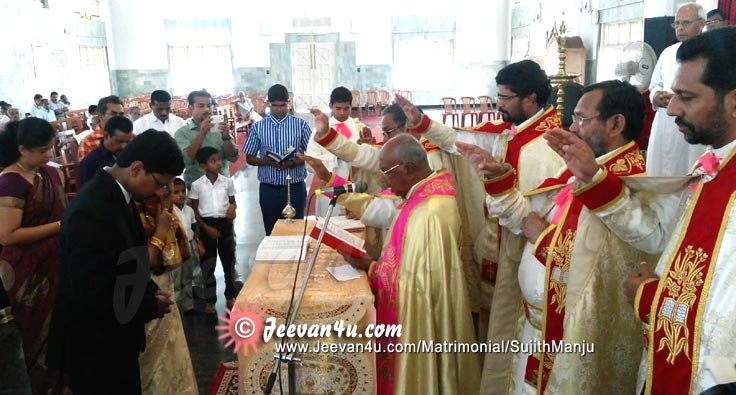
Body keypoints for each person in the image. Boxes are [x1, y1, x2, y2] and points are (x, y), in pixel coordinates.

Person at [547, 28, 736, 394]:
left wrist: (650, 297)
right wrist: (593, 178)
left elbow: (721, 321)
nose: (672, 108)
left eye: (686, 96)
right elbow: (657, 235)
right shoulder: (712, 169)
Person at [458, 80, 648, 394]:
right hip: (535, 326)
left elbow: (597, 270)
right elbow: (528, 221)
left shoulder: (630, 186)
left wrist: (542, 237)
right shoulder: (579, 169)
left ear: (616, 124)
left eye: (582, 120)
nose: (573, 128)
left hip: (571, 343)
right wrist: (498, 178)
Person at [46, 130, 183, 395]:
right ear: (137, 168)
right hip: (95, 345)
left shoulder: (119, 195)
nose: (161, 192)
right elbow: (93, 291)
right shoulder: (92, 209)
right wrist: (148, 305)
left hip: (115, 337)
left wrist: (150, 289)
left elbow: (128, 258)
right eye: (159, 183)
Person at [343, 133, 480, 395]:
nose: (383, 179)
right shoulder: (424, 195)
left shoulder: (429, 212)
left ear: (407, 169)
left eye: (387, 172)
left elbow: (414, 288)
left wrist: (369, 266)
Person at [0, 118, 66, 393]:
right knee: (31, 334)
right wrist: (61, 227)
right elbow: (8, 235)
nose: (47, 155)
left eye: (50, 148)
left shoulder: (52, 173)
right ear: (22, 149)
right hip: (26, 272)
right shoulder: (10, 182)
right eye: (41, 151)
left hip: (57, 263)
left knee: (60, 332)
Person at [135, 175, 198, 395]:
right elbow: (145, 260)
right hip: (145, 283)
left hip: (164, 277)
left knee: (171, 341)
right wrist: (161, 230)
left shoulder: (162, 205)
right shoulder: (137, 208)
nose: (168, 191)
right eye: (164, 186)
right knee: (152, 350)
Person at [646, 2, 707, 176]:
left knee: (691, 169)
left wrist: (684, 97)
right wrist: (656, 96)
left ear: (701, 24)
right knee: (660, 170)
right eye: (677, 24)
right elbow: (655, 83)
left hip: (694, 119)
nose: (679, 28)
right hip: (665, 119)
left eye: (685, 23)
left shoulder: (711, 52)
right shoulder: (668, 53)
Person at [243, 84, 311, 235]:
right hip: (269, 188)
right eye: (275, 106)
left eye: (283, 105)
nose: (279, 109)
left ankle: (296, 259)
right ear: (268, 104)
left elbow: (311, 154)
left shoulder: (301, 125)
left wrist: (292, 162)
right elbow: (250, 157)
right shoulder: (258, 127)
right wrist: (267, 161)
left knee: (297, 231)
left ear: (288, 103)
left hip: (294, 187)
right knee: (272, 231)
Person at [305, 86, 374, 217]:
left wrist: (366, 146)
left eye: (346, 108)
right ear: (331, 106)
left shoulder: (360, 128)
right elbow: (310, 160)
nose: (342, 112)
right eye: (338, 108)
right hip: (330, 183)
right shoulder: (321, 129)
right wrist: (336, 158)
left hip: (354, 186)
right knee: (330, 224)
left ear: (351, 106)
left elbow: (370, 160)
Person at [189, 147, 237, 313]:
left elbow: (232, 202)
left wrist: (233, 208)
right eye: (213, 161)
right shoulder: (197, 186)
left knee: (228, 261)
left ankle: (230, 295)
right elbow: (194, 211)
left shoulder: (227, 182)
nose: (218, 163)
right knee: (208, 264)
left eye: (218, 159)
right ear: (203, 166)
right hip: (206, 224)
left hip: (224, 223)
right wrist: (206, 228)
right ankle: (210, 300)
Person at [175, 90, 239, 188]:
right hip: (197, 189)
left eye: (209, 106)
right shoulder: (182, 133)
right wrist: (202, 133)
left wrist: (226, 137)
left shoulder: (219, 128)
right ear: (190, 108)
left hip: (223, 186)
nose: (207, 109)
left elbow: (233, 157)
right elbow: (187, 159)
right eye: (201, 106)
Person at [171, 177, 203, 314]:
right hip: (175, 247)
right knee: (176, 279)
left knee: (188, 276)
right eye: (176, 192)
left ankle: (188, 305)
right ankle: (175, 309)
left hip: (188, 245)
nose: (181, 195)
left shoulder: (189, 210)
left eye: (183, 191)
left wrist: (199, 243)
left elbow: (195, 228)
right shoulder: (168, 211)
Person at [78, 116, 135, 186]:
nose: (123, 146)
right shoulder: (90, 162)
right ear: (106, 135)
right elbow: (86, 193)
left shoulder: (131, 155)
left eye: (127, 142)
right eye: (119, 141)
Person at [78, 95, 125, 161]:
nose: (118, 118)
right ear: (100, 115)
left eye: (121, 114)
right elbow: (87, 170)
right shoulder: (88, 142)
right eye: (113, 114)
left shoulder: (128, 138)